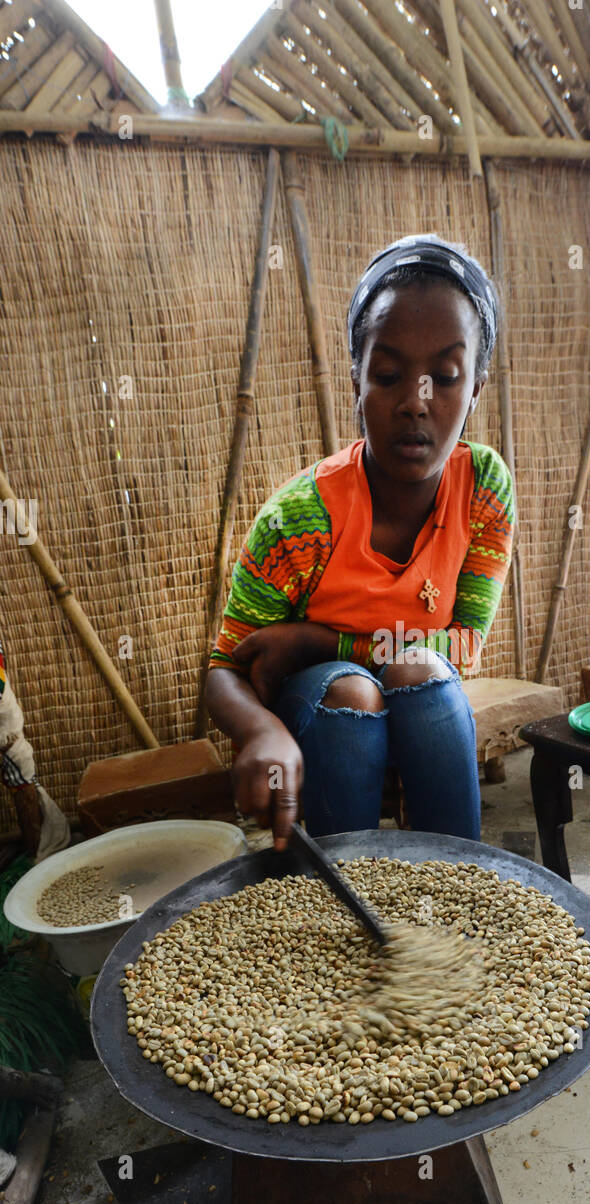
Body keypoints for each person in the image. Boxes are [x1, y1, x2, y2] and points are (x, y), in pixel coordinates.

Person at [205, 234, 515, 849]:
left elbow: (465, 646)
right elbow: (225, 670)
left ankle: (456, 887)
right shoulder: (299, 521)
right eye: (389, 374)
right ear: (357, 378)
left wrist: (321, 639)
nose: (414, 403)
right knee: (353, 693)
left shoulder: (483, 488)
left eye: (445, 377)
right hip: (326, 716)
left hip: (422, 697)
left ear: (475, 388)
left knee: (420, 668)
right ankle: (339, 899)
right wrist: (261, 733)